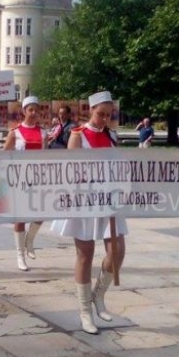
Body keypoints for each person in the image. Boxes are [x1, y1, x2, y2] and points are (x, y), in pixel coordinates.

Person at [52, 91, 127, 334]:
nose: (104, 118)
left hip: (110, 201)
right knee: (85, 254)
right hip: (85, 201)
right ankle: (84, 311)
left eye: (108, 114)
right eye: (100, 114)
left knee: (117, 252)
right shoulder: (78, 135)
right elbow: (70, 171)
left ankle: (98, 296)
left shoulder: (112, 137)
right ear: (90, 111)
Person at [3, 96, 48, 271]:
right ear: (24, 111)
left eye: (36, 109)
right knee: (20, 217)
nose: (34, 113)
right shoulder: (15, 132)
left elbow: (45, 156)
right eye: (31, 109)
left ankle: (30, 240)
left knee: (42, 213)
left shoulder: (43, 133)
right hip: (20, 178)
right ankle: (20, 255)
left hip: (38, 178)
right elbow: (4, 154)